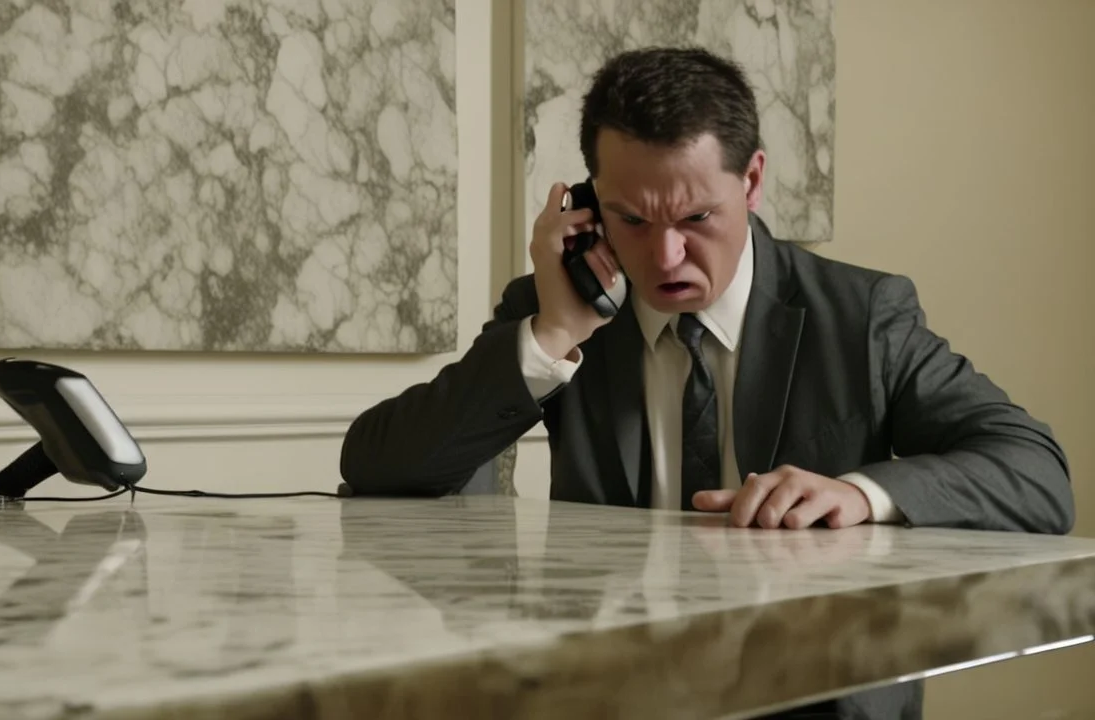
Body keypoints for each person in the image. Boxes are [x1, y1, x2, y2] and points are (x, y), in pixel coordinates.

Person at [338, 46, 1075, 718]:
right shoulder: (559, 308)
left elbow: (1035, 474)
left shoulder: (862, 317)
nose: (665, 256)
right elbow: (379, 464)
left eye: (697, 217)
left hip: (814, 704)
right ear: (587, 205)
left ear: (751, 181)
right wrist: (553, 335)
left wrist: (860, 494)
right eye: (630, 219)